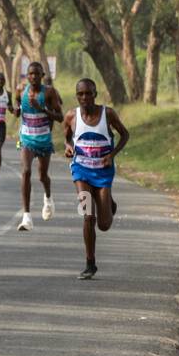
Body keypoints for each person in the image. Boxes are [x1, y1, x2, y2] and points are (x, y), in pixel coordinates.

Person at [63, 78, 129, 279]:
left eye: (88, 93)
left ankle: (109, 203)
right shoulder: (71, 115)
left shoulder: (107, 114)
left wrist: (112, 154)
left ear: (95, 94)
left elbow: (125, 135)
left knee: (104, 225)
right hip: (80, 169)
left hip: (102, 172)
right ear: (77, 96)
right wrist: (67, 146)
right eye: (80, 94)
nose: (84, 97)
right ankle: (90, 263)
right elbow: (66, 136)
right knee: (88, 215)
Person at [14, 61, 62, 231]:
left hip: (43, 139)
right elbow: (18, 106)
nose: (33, 77)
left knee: (42, 176)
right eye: (31, 74)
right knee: (26, 171)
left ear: (42, 76)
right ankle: (27, 217)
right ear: (27, 76)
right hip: (26, 138)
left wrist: (41, 108)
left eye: (37, 74)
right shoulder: (21, 90)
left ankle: (48, 199)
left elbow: (60, 117)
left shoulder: (49, 92)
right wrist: (15, 110)